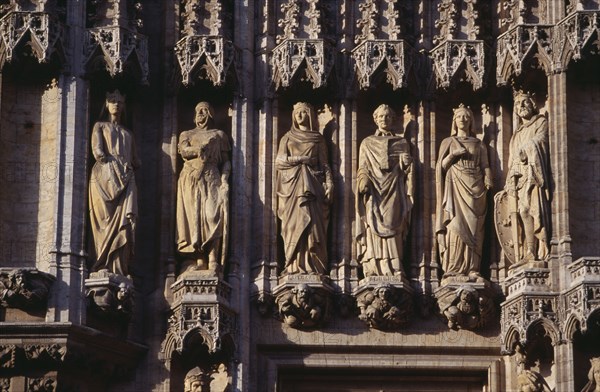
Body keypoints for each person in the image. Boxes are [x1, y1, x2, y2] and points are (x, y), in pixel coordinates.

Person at [436, 104, 492, 282]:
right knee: (455, 226)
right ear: (454, 120)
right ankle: (453, 268)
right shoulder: (448, 142)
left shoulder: (479, 144)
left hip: (475, 188)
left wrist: (488, 178)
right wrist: (452, 156)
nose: (463, 119)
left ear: (471, 121)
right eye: (459, 116)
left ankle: (473, 268)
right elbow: (440, 168)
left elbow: (486, 166)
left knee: (475, 228)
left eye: (467, 116)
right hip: (455, 187)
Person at [494, 91, 551, 268]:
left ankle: (535, 251)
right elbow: (511, 162)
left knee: (529, 210)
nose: (522, 107)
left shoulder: (541, 122)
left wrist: (527, 149)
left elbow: (541, 140)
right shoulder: (516, 135)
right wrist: (508, 185)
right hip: (519, 178)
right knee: (520, 213)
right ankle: (528, 251)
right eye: (518, 105)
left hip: (534, 176)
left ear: (533, 104)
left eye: (525, 102)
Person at [276, 102, 333, 275]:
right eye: (297, 113)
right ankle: (293, 264)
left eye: (303, 112)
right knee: (293, 226)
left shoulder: (318, 139)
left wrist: (330, 183)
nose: (300, 116)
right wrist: (301, 159)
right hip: (292, 188)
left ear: (309, 114)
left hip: (314, 187)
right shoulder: (287, 137)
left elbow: (325, 165)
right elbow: (279, 161)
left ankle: (313, 264)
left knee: (313, 228)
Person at [356, 104, 413, 277]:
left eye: (387, 116)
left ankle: (394, 265)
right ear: (375, 119)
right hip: (374, 189)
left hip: (394, 188)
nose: (384, 119)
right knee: (373, 223)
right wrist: (363, 180)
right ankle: (374, 265)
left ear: (393, 119)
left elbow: (407, 171)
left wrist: (406, 163)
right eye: (381, 116)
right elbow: (363, 166)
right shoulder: (367, 142)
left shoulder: (401, 142)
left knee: (393, 221)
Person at [89, 90, 140, 276]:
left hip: (126, 178)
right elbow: (98, 152)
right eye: (112, 101)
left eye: (120, 101)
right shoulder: (100, 126)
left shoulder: (128, 134)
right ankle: (102, 262)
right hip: (105, 178)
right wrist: (114, 162)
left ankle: (119, 267)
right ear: (106, 104)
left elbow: (137, 160)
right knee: (104, 220)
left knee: (125, 222)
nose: (116, 104)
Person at [176, 102, 231, 273]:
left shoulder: (219, 135)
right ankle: (199, 260)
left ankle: (213, 258)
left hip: (212, 177)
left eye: (204, 110)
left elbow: (226, 161)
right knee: (194, 220)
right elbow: (183, 151)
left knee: (212, 216)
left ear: (211, 114)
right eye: (197, 110)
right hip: (190, 178)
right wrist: (198, 149)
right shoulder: (187, 134)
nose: (200, 113)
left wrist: (225, 180)